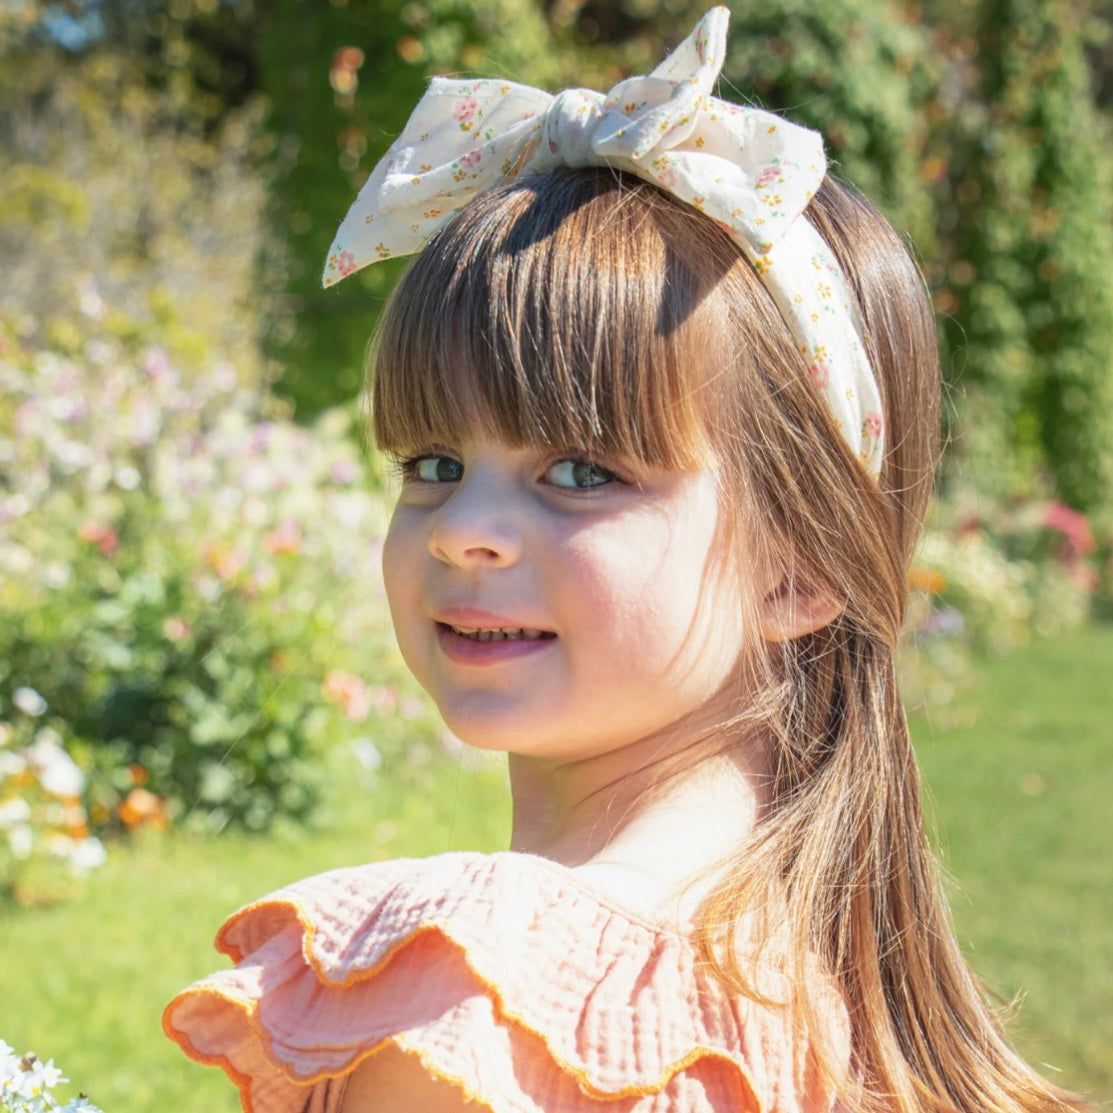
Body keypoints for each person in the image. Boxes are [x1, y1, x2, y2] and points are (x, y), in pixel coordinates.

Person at [163, 9, 1087, 1112]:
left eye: (583, 472)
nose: (465, 528)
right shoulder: (816, 997)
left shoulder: (491, 1009)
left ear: (798, 571)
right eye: (433, 460)